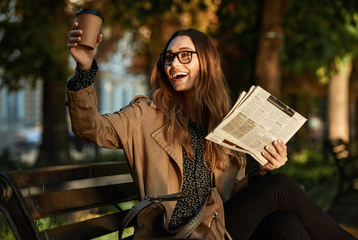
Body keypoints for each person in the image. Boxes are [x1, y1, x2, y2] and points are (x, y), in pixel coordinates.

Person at [67, 23, 357, 240]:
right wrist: (84, 69)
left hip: (216, 227)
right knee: (279, 188)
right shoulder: (145, 114)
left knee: (285, 224)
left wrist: (263, 168)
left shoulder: (221, 122)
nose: (173, 64)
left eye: (184, 56)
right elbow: (92, 128)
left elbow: (232, 192)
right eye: (168, 57)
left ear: (206, 61)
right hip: (175, 232)